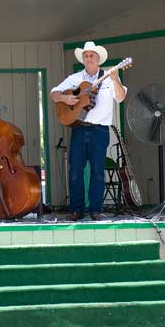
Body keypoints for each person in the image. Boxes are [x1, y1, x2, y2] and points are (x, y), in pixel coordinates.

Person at [51, 41, 127, 222]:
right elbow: (54, 93)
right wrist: (65, 97)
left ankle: (95, 210)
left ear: (98, 58)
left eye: (92, 55)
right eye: (86, 55)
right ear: (83, 60)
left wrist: (116, 78)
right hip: (78, 128)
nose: (89, 58)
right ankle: (76, 210)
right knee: (75, 171)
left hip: (99, 131)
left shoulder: (109, 78)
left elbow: (121, 97)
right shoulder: (75, 78)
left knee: (97, 171)